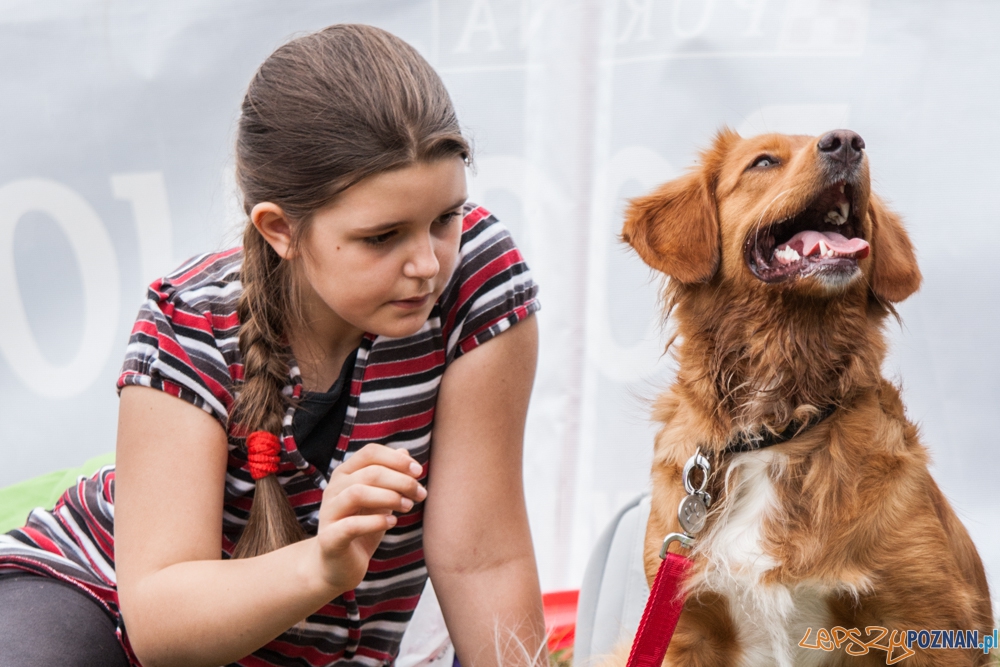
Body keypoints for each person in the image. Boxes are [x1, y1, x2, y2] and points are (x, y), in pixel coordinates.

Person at [0, 24, 545, 667]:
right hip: (100, 605)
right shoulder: (188, 321)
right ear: (280, 228)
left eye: (445, 218)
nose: (427, 263)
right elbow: (160, 626)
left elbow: (482, 560)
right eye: (382, 236)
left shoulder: (478, 281)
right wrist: (321, 564)